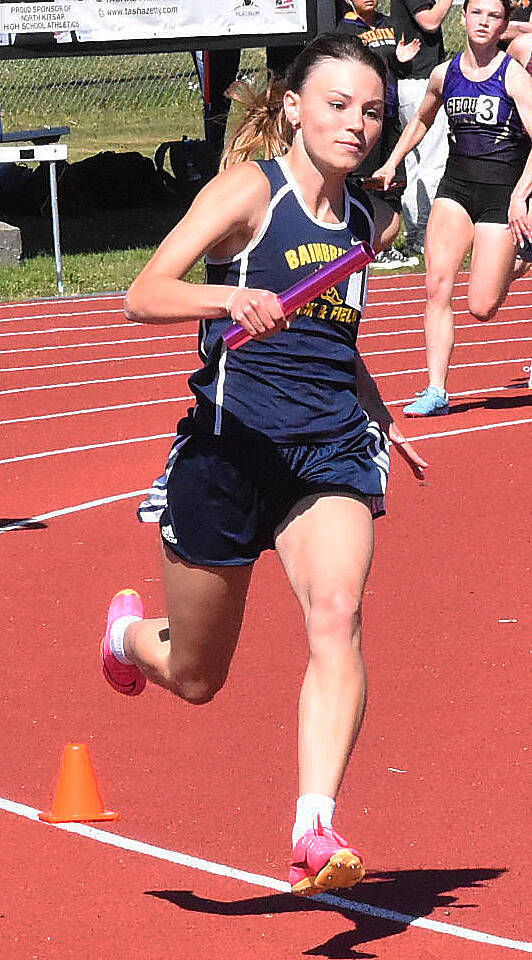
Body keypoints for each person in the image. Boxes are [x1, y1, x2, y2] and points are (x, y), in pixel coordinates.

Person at [100, 33, 428, 895]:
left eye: (371, 111)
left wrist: (380, 414)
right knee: (199, 676)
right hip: (229, 449)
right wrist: (226, 294)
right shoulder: (249, 191)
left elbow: (336, 338)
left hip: (327, 449)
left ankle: (313, 826)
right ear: (292, 105)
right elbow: (143, 295)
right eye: (338, 104)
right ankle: (128, 639)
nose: (357, 124)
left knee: (338, 610)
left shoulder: (364, 218)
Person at [374, 0, 532, 416]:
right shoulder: (445, 74)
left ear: (503, 25)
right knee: (435, 286)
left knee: (481, 307)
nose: (483, 22)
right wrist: (392, 162)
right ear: (463, 18)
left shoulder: (513, 76)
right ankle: (436, 390)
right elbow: (422, 119)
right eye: (476, 13)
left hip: (502, 194)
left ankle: (520, 262)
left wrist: (521, 196)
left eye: (493, 16)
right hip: (456, 189)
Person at [337, 0, 422, 267]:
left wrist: (401, 61)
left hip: (390, 110)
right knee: (367, 179)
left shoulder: (389, 25)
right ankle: (366, 242)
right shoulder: (344, 30)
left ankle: (386, 241)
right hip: (364, 113)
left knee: (395, 177)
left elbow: (399, 71)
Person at [391, 0, 453, 257]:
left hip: (414, 82)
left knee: (417, 164)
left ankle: (417, 235)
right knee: (432, 162)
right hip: (419, 82)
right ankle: (425, 234)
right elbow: (429, 21)